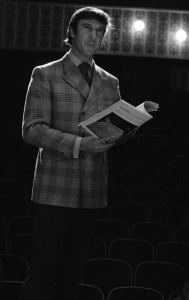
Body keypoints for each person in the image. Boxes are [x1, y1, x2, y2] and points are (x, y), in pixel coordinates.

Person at [20, 7, 132, 300]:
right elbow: (32, 129)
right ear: (72, 32)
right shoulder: (45, 74)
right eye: (87, 28)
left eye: (99, 31)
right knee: (43, 270)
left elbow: (108, 130)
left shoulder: (110, 81)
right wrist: (80, 145)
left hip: (92, 187)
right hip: (56, 186)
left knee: (74, 273)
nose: (94, 35)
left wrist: (122, 133)